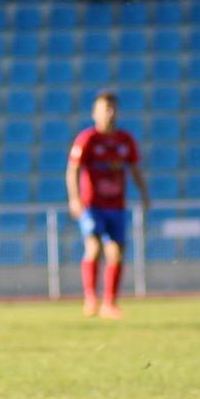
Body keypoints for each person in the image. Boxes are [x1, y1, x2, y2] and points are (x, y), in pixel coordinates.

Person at [67, 92, 150, 320]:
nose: (110, 113)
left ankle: (109, 303)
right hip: (92, 204)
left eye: (113, 109)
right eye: (105, 109)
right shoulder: (87, 139)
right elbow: (73, 169)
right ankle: (90, 298)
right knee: (94, 246)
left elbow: (135, 169)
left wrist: (144, 193)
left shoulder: (125, 140)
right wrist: (74, 198)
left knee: (116, 252)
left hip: (116, 205)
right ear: (95, 113)